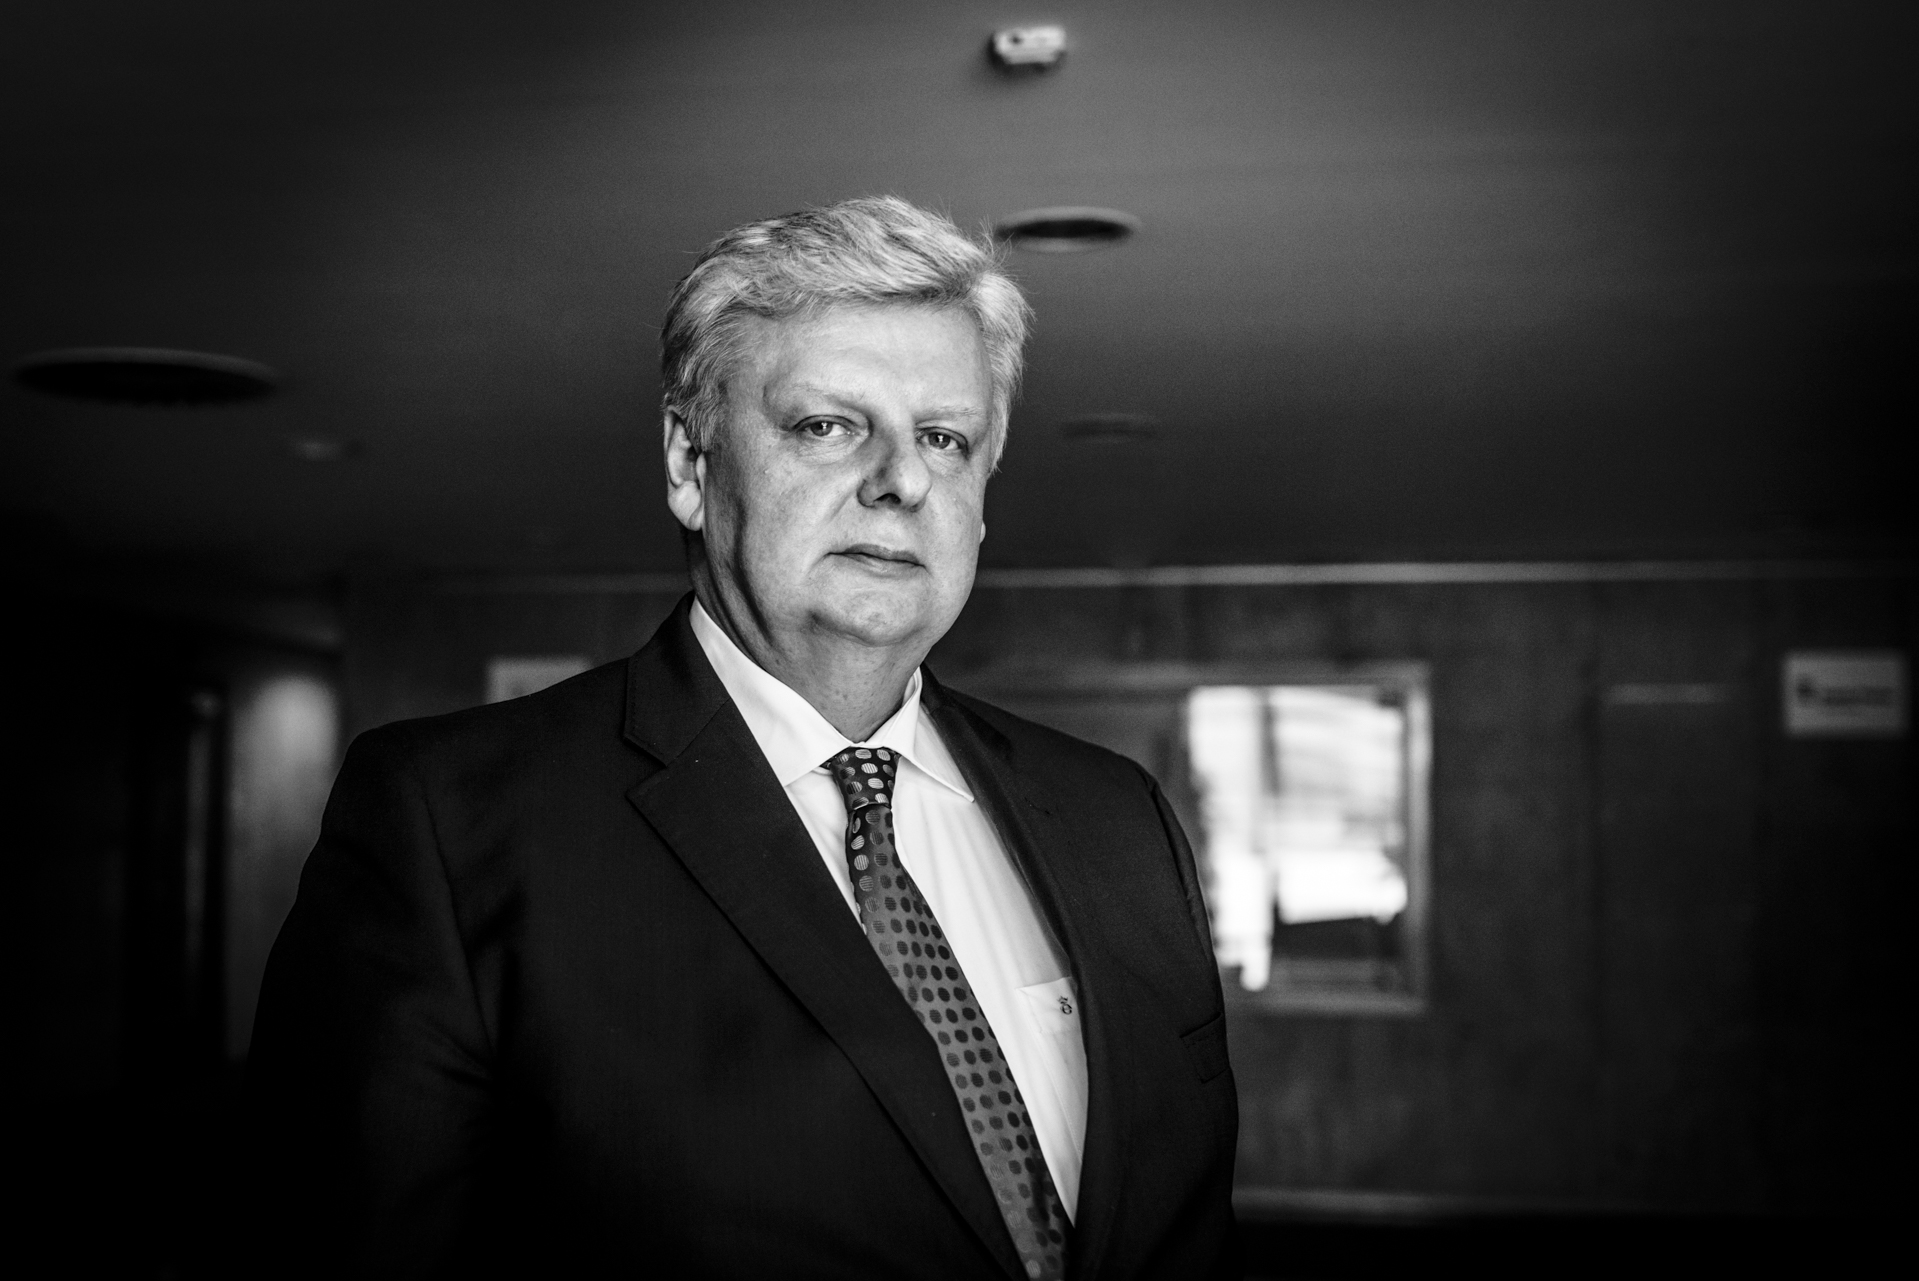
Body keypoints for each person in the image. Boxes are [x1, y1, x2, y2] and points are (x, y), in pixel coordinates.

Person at [249, 196, 1237, 1278]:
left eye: (943, 439)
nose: (901, 480)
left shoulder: (1117, 819)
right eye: (827, 426)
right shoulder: (449, 824)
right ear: (690, 462)